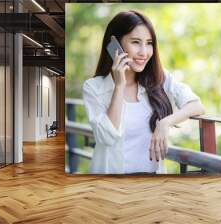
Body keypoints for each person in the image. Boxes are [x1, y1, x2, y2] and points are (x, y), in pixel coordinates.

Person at [83, 10, 205, 174]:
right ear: (115, 45)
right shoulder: (94, 87)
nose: (144, 52)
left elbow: (196, 105)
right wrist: (119, 85)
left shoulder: (160, 79)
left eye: (149, 43)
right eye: (135, 42)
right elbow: (106, 137)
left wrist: (165, 123)